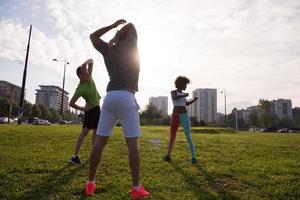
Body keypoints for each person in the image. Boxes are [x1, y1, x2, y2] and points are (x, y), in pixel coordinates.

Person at [85, 19, 150, 199]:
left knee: (99, 142)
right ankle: (136, 188)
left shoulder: (108, 50)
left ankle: (90, 184)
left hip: (110, 98)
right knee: (132, 145)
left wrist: (113, 27)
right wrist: (117, 33)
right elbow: (131, 25)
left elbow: (93, 36)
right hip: (127, 97)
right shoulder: (130, 45)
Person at [68, 58, 101, 164]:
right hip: (90, 111)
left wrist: (85, 64)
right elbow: (71, 103)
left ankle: (93, 154)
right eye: (85, 74)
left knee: (96, 132)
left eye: (88, 73)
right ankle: (75, 157)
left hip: (97, 109)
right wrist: (83, 109)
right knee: (84, 133)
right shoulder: (80, 89)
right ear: (80, 76)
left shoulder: (89, 77)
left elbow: (92, 61)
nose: (88, 75)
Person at [163, 76, 198, 164]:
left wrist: (193, 100)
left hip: (184, 115)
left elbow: (185, 103)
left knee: (188, 135)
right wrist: (185, 95)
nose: (186, 86)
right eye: (185, 84)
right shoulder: (173, 92)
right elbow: (175, 98)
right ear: (181, 84)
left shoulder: (183, 94)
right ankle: (168, 155)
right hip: (175, 115)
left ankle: (193, 157)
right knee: (172, 135)